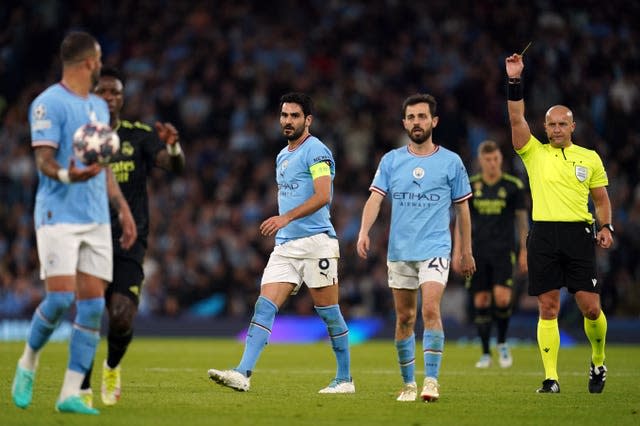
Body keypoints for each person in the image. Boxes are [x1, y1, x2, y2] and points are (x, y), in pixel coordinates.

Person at [11, 31, 137, 415]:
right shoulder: (47, 104)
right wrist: (69, 176)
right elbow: (44, 160)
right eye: (99, 59)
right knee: (60, 298)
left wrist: (122, 208)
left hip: (96, 216)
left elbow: (104, 168)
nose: (101, 65)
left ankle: (69, 392)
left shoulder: (99, 108)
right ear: (88, 63)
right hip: (58, 214)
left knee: (93, 308)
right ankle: (28, 361)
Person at [208, 92, 354, 394]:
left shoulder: (317, 152)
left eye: (294, 116)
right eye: (284, 115)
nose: (287, 121)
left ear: (308, 120)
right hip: (286, 246)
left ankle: (344, 379)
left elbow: (323, 195)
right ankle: (243, 372)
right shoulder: (282, 155)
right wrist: (285, 225)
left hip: (317, 242)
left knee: (328, 311)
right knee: (264, 306)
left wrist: (285, 217)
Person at [357, 93, 476, 402]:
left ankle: (431, 381)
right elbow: (375, 199)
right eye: (411, 117)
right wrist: (363, 231)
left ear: (433, 121)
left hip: (436, 248)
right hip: (400, 251)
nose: (416, 122)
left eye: (422, 116)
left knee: (430, 309)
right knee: (405, 318)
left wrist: (465, 250)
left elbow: (463, 210)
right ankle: (408, 383)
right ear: (404, 123)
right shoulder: (392, 160)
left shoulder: (451, 162)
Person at [505, 52, 613, 393]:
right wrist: (514, 79)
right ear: (545, 127)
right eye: (550, 124)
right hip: (544, 234)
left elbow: (600, 199)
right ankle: (551, 378)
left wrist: (606, 227)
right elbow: (515, 118)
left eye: (561, 124)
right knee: (547, 306)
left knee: (590, 308)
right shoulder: (533, 152)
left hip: (579, 234)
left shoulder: (589, 158)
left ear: (572, 127)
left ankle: (598, 361)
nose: (555, 129)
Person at [78, 67, 186, 407]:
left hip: (129, 239)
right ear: (93, 96)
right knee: (91, 313)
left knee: (122, 315)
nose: (110, 98)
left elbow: (174, 167)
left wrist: (175, 147)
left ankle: (111, 367)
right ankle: (80, 385)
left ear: (122, 98)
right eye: (104, 92)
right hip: (88, 235)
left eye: (116, 93)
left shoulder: (139, 135)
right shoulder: (81, 136)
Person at [466, 140, 529, 369]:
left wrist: (524, 249)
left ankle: (502, 342)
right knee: (481, 300)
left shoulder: (513, 185)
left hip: (504, 251)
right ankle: (485, 353)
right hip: (478, 252)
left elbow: (522, 221)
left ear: (500, 160)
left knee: (502, 298)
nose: (492, 163)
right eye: (488, 160)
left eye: (495, 159)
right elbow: (463, 221)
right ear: (480, 160)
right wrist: (461, 250)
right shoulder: (471, 185)